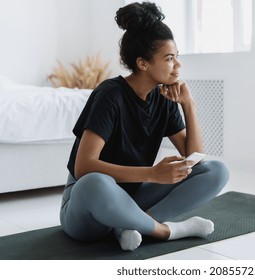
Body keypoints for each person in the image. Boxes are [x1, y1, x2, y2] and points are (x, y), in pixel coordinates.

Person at [59, 1, 229, 251]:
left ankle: (133, 224)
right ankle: (165, 230)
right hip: (87, 208)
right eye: (170, 58)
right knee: (96, 182)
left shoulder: (164, 98)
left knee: (216, 170)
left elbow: (195, 160)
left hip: (133, 197)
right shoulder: (110, 95)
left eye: (177, 57)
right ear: (143, 63)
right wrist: (152, 174)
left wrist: (188, 104)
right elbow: (83, 167)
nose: (178, 65)